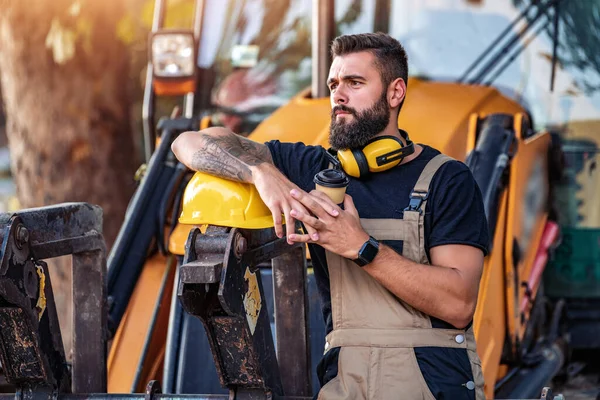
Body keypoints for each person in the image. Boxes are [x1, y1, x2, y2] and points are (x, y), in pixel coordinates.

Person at [172, 32, 488, 400]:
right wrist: (258, 171)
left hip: (433, 386)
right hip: (346, 384)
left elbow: (459, 304)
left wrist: (361, 247)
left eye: (355, 83)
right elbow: (189, 142)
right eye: (334, 83)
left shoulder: (446, 179)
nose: (338, 94)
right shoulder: (313, 168)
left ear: (395, 92)